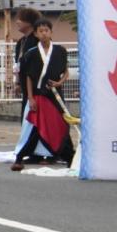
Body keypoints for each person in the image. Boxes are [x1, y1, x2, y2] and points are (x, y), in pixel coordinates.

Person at [12, 19, 74, 171]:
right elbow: (28, 77)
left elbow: (66, 71)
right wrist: (31, 98)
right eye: (41, 31)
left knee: (61, 125)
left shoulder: (60, 51)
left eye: (46, 30)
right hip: (38, 95)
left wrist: (60, 82)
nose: (44, 33)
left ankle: (69, 158)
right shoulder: (31, 53)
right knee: (34, 127)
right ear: (36, 34)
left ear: (51, 32)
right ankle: (20, 158)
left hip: (54, 95)